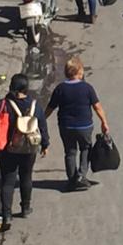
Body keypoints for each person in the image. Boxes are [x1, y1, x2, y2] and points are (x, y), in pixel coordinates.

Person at [0, 74, 49, 230]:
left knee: (8, 181)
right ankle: (25, 208)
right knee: (26, 177)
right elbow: (43, 126)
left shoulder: (4, 104)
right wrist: (45, 144)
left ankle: (7, 215)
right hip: (29, 149)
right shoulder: (34, 105)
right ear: (26, 88)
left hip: (8, 150)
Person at [44, 58, 109, 192]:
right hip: (84, 126)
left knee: (70, 152)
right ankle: (81, 175)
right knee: (86, 149)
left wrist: (41, 120)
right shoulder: (87, 88)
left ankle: (72, 179)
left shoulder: (60, 89)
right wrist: (104, 122)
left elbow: (50, 108)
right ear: (79, 71)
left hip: (66, 126)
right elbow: (97, 107)